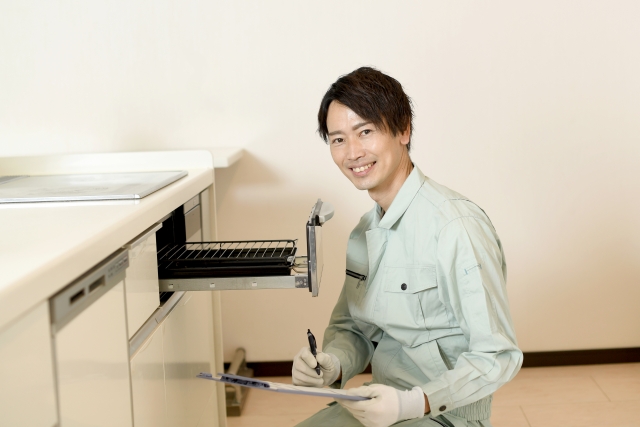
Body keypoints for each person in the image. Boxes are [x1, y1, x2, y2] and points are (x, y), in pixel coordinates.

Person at [291, 67, 522, 427]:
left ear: (403, 130)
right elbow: (354, 329)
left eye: (365, 132)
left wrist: (414, 403)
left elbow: (497, 355)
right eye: (338, 140)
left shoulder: (456, 226)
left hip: (446, 415)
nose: (352, 152)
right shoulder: (364, 231)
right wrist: (331, 365)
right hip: (377, 403)